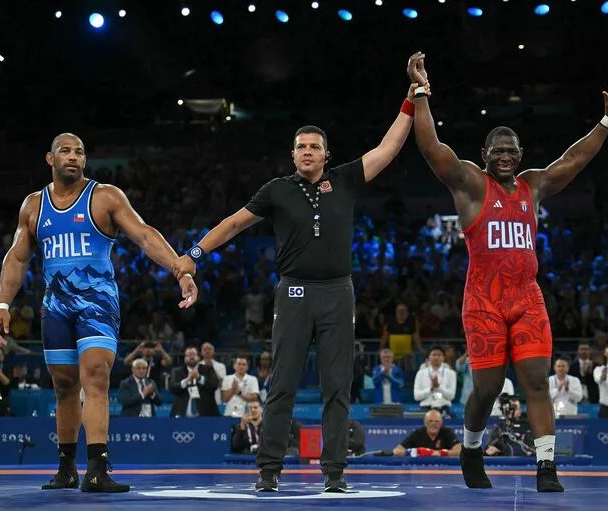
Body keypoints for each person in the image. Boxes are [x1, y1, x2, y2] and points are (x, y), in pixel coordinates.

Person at [172, 63, 425, 492]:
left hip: (337, 293)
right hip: (292, 292)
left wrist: (412, 97)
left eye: (314, 147)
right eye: (301, 147)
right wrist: (194, 254)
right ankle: (268, 470)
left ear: (326, 153)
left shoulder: (345, 179)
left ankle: (335, 474)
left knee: (337, 387)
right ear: (293, 155)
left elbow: (389, 147)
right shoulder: (277, 189)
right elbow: (234, 224)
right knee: (282, 384)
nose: (307, 152)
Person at [408, 51, 608, 491]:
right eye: (497, 151)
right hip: (483, 302)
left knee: (536, 382)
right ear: (484, 154)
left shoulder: (533, 185)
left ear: (520, 154)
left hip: (527, 299)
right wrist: (422, 95)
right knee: (487, 388)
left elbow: (574, 160)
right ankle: (470, 449)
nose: (505, 156)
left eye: (511, 151)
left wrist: (607, 122)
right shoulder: (471, 184)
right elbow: (432, 149)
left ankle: (546, 467)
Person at [0, 133, 198, 492]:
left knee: (96, 376)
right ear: (50, 159)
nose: (74, 157)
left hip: (97, 302)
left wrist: (180, 270)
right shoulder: (33, 205)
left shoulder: (104, 196)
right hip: (56, 306)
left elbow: (145, 236)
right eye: (66, 151)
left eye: (80, 152)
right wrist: (3, 305)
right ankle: (67, 467)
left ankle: (98, 467)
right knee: (64, 385)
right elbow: (18, 256)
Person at [169, 346, 220, 417]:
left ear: (198, 357)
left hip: (205, 416)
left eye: (193, 355)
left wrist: (199, 378)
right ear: (184, 359)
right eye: (188, 355)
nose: (191, 357)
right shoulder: (177, 371)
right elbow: (172, 388)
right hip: (182, 416)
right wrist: (186, 381)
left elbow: (215, 385)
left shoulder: (208, 369)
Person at [392, 409, 462, 457]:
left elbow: (460, 450)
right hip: (420, 468)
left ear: (441, 423)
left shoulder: (447, 433)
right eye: (430, 421)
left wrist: (440, 453)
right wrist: (418, 452)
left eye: (436, 421)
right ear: (425, 423)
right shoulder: (418, 433)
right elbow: (397, 451)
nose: (433, 424)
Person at [414, 345, 457, 413]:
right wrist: (430, 389)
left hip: (444, 408)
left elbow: (451, 396)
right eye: (434, 355)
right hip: (425, 408)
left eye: (439, 355)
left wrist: (438, 387)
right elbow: (416, 396)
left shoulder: (451, 373)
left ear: (443, 358)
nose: (436, 357)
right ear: (429, 357)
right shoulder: (421, 373)